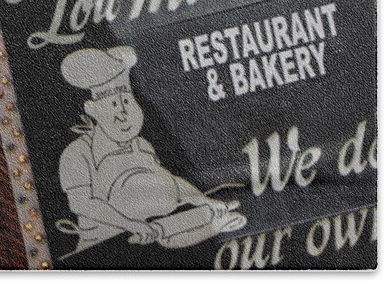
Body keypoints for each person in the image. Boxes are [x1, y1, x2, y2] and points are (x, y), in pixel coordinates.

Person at [55, 46, 246, 257]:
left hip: (155, 235)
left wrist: (203, 200)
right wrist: (131, 224)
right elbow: (82, 203)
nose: (123, 114)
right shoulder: (78, 153)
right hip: (106, 248)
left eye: (126, 102)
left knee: (192, 222)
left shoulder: (142, 145)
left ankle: (216, 224)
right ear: (93, 110)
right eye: (113, 104)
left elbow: (169, 182)